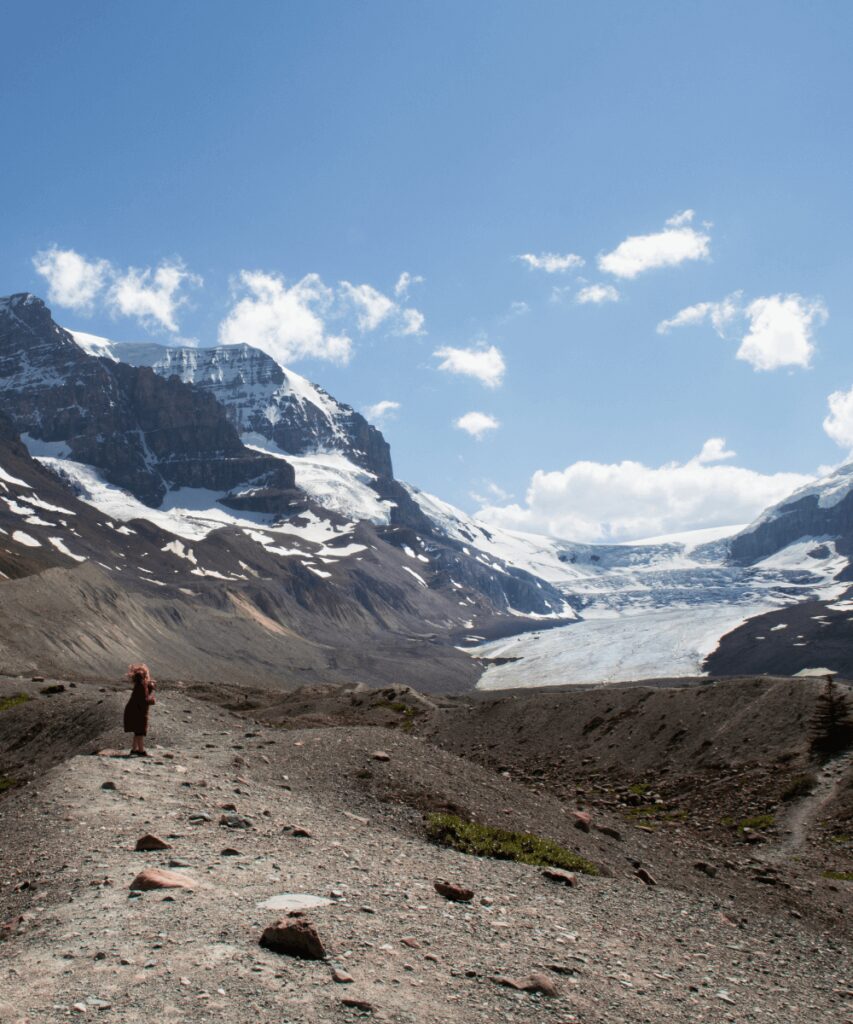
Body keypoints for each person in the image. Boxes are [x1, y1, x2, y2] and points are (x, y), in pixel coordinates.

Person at [123, 663, 156, 756]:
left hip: (134, 711)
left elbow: (141, 695)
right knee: (140, 731)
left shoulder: (140, 684)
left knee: (137, 731)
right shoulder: (141, 685)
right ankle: (141, 751)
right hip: (138, 712)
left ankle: (134, 749)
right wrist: (152, 700)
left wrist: (150, 687)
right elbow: (143, 700)